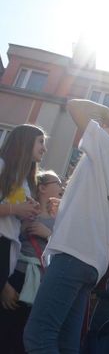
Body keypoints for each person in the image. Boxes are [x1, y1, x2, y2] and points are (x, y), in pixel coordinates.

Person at [24, 98, 109, 354]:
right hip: (90, 266)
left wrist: (106, 112)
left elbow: (74, 106)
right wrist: (66, 208)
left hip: (72, 257)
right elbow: (101, 227)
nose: (102, 127)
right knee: (67, 344)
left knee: (39, 335)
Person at [0, 170, 62, 354]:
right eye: (57, 182)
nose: (62, 186)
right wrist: (4, 284)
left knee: (25, 339)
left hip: (43, 285)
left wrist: (48, 234)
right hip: (16, 278)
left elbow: (65, 254)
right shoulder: (24, 213)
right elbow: (7, 243)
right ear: (42, 188)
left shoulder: (61, 220)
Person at [0, 125, 44, 304]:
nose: (44, 148)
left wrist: (28, 214)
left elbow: (14, 221)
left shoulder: (25, 180)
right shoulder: (2, 165)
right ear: (25, 142)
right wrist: (16, 209)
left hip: (8, 247)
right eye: (40, 141)